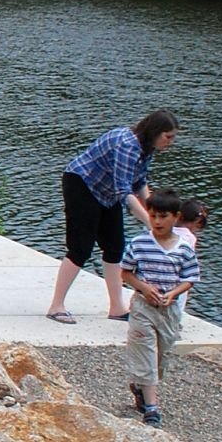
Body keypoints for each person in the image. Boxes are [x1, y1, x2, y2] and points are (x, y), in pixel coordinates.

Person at [43, 110, 181, 325]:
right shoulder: (128, 145)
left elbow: (140, 184)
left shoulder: (147, 148)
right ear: (155, 132)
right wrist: (152, 224)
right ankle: (56, 306)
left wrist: (154, 213)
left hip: (106, 192)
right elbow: (124, 192)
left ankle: (117, 307)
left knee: (115, 247)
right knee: (81, 247)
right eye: (168, 136)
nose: (170, 142)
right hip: (82, 184)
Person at [120, 191, 200, 427]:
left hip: (169, 311)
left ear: (175, 217)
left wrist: (174, 294)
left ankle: (141, 387)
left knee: (161, 356)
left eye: (163, 216)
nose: (157, 221)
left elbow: (190, 278)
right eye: (153, 216)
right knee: (145, 350)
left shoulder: (184, 248)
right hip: (143, 308)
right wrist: (144, 288)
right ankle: (152, 409)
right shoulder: (139, 243)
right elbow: (126, 272)